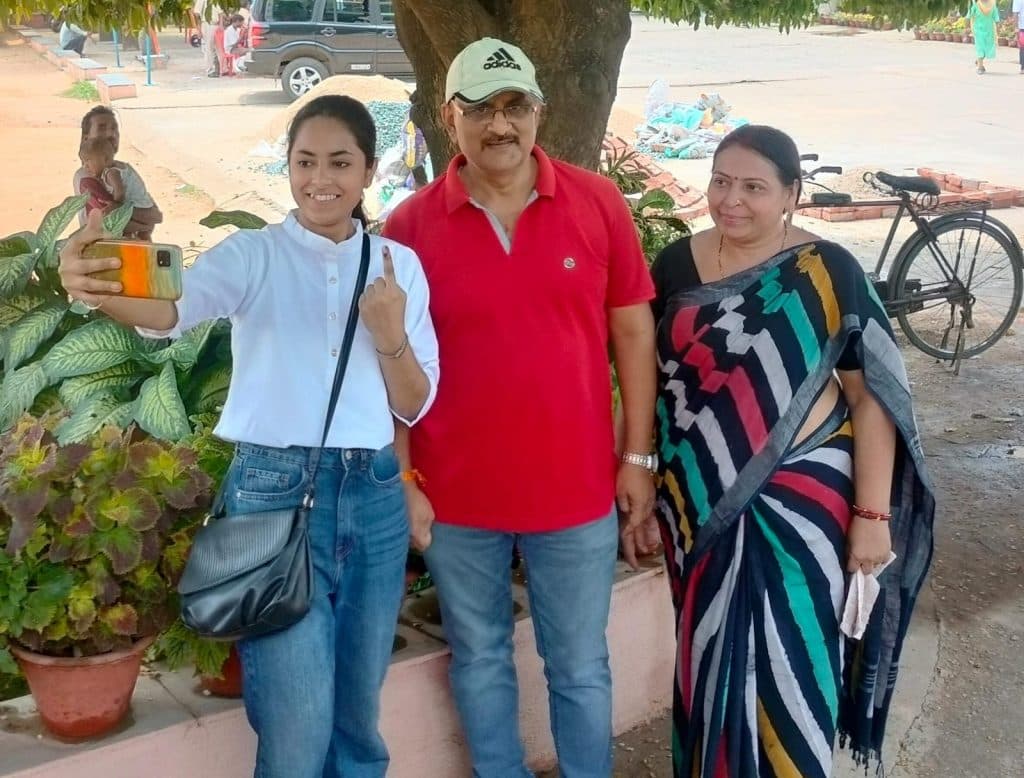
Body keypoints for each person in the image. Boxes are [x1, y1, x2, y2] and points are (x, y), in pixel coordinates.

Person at [58, 95, 440, 778]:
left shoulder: (398, 267)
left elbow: (413, 402)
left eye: (340, 163)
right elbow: (170, 311)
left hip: (376, 496)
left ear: (367, 171)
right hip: (273, 493)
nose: (320, 179)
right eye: (305, 162)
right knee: (297, 726)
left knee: (357, 718)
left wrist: (389, 334)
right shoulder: (254, 256)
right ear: (288, 168)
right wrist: (93, 287)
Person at [383, 37, 658, 777]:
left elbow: (634, 333)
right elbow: (391, 365)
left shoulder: (596, 203)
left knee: (579, 665)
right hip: (456, 497)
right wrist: (405, 481)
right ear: (449, 117)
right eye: (479, 108)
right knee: (478, 658)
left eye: (514, 106)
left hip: (575, 492)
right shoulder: (409, 228)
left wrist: (637, 456)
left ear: (539, 111)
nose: (499, 124)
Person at [648, 124, 935, 777]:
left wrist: (872, 516)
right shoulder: (675, 266)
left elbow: (871, 397)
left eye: (754, 187)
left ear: (790, 194)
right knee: (705, 652)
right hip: (695, 503)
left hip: (803, 505)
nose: (732, 200)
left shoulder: (827, 272)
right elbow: (648, 376)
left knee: (794, 656)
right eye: (721, 181)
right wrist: (638, 473)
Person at [74, 107, 163, 239]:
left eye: (114, 128)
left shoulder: (123, 171)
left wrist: (122, 208)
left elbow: (156, 216)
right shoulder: (86, 177)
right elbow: (113, 219)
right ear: (86, 139)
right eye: (102, 128)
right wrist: (144, 221)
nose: (111, 134)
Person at [76, 138, 125, 218]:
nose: (85, 167)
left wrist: (116, 205)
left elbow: (120, 192)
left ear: (105, 160)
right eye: (83, 163)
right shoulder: (105, 173)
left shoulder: (111, 173)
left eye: (88, 161)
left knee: (85, 185)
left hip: (124, 208)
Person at [968, 0, 999, 74]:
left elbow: (996, 18)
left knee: (987, 48)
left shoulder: (992, 4)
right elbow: (970, 16)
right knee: (980, 48)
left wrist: (998, 29)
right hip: (979, 31)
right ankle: (980, 67)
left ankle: (979, 60)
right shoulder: (976, 4)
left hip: (988, 31)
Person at [1013, 0, 1024, 74]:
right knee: (1023, 48)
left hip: (1022, 27)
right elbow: (1015, 14)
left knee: (1023, 48)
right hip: (1022, 27)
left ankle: (1023, 68)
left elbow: (1015, 14)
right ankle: (1023, 68)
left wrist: (1016, 28)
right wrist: (1016, 28)